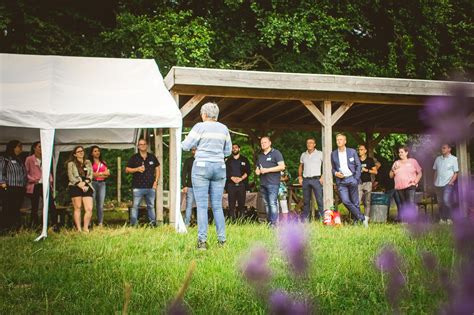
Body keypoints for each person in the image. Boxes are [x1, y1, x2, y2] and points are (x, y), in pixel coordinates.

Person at [182, 102, 232, 250]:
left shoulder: (199, 127)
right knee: (217, 206)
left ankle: (202, 242)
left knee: (202, 206)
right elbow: (228, 151)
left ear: (204, 114)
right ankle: (222, 241)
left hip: (202, 168)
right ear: (216, 115)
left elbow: (185, 146)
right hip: (219, 167)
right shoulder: (224, 128)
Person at [331, 133, 368, 227]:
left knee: (355, 202)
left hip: (352, 179)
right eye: (337, 140)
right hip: (341, 181)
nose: (338, 141)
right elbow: (333, 168)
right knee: (345, 200)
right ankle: (362, 218)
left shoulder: (352, 152)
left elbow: (358, 165)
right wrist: (336, 173)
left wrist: (356, 178)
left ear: (345, 141)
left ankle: (356, 222)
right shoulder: (334, 153)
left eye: (340, 139)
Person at [125, 138, 160, 227]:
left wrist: (156, 181)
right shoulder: (134, 157)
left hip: (150, 187)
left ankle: (153, 224)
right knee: (135, 206)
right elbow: (127, 169)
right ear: (138, 146)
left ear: (147, 145)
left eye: (144, 144)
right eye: (141, 144)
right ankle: (133, 225)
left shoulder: (152, 157)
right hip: (137, 187)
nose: (143, 146)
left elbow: (158, 169)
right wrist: (137, 169)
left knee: (151, 206)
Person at [256, 136, 286, 227]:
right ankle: (270, 223)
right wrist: (257, 171)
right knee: (266, 204)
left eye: (265, 142)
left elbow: (282, 167)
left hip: (273, 183)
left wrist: (267, 170)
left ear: (270, 143)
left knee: (272, 203)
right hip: (263, 183)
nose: (263, 144)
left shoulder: (276, 153)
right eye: (261, 143)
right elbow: (257, 168)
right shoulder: (260, 156)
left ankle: (274, 224)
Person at [0, 140, 27, 231]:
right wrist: (3, 184)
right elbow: (0, 172)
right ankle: (5, 227)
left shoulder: (19, 160)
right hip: (9, 187)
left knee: (16, 208)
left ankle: (14, 228)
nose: (21, 149)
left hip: (19, 188)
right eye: (19, 146)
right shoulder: (4, 159)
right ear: (13, 147)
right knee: (8, 208)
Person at [66, 146, 94, 232]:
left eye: (82, 151)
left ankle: (85, 228)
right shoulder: (71, 164)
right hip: (75, 186)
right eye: (79, 151)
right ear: (75, 154)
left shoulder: (88, 162)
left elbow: (91, 175)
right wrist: (79, 184)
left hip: (87, 185)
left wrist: (85, 183)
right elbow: (71, 177)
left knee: (89, 208)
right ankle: (79, 229)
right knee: (77, 207)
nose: (81, 152)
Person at [389, 145, 422, 217]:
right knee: (403, 204)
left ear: (406, 153)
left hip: (410, 186)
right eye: (399, 152)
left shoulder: (413, 161)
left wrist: (415, 181)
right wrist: (393, 169)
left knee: (410, 203)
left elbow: (420, 173)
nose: (400, 154)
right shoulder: (396, 163)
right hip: (399, 187)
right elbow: (391, 176)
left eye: (402, 152)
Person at [298, 138, 324, 221]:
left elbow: (326, 165)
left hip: (317, 179)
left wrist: (323, 176)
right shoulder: (303, 154)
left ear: (314, 144)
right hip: (306, 180)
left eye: (311, 143)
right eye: (308, 143)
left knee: (319, 200)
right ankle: (306, 220)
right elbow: (300, 166)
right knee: (306, 201)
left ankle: (322, 219)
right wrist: (300, 176)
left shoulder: (320, 154)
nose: (309, 144)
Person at [433, 144, 458, 224]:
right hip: (438, 184)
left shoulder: (454, 159)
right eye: (442, 147)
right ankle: (442, 219)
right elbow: (435, 171)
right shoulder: (437, 159)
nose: (442, 149)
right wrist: (434, 182)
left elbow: (456, 173)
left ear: (449, 149)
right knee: (440, 202)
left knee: (446, 201)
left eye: (444, 148)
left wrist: (451, 182)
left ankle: (449, 218)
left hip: (448, 184)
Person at [225, 144, 251, 221]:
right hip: (231, 185)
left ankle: (242, 221)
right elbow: (225, 172)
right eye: (233, 148)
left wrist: (241, 178)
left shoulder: (245, 159)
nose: (234, 149)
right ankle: (232, 221)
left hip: (242, 185)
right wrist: (232, 178)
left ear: (239, 149)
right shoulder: (228, 160)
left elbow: (248, 171)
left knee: (241, 205)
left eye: (236, 147)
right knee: (231, 205)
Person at [89, 146, 110, 227]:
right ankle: (89, 222)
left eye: (98, 151)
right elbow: (91, 175)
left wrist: (98, 174)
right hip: (93, 183)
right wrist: (102, 173)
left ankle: (100, 223)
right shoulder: (89, 162)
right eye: (95, 151)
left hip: (102, 184)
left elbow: (108, 174)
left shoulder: (103, 162)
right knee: (91, 204)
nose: (97, 152)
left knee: (100, 205)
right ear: (91, 153)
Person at [357, 144, 377, 220]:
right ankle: (358, 218)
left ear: (365, 151)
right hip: (358, 183)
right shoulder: (357, 159)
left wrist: (367, 170)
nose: (359, 151)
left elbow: (375, 172)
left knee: (367, 202)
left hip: (368, 183)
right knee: (357, 202)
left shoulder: (369, 160)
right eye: (359, 150)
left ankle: (366, 219)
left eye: (361, 149)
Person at [182, 147, 196, 226]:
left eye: (196, 149)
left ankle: (201, 224)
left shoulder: (203, 160)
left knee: (202, 206)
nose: (194, 151)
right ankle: (186, 225)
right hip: (190, 186)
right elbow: (184, 173)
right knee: (189, 206)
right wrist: (184, 185)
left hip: (201, 187)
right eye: (193, 150)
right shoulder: (188, 161)